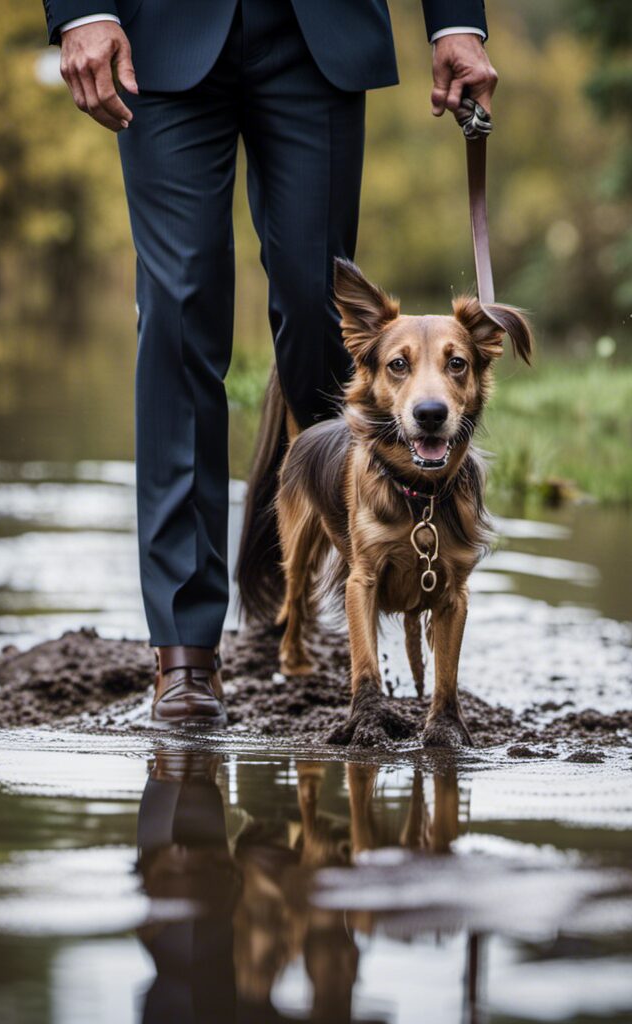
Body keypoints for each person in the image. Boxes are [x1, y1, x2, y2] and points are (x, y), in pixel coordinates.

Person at [41, 0, 497, 727]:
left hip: (318, 31)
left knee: (323, 319)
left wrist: (454, 19)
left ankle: (335, 576)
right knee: (178, 314)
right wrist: (82, 9)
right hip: (158, 33)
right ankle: (186, 651)